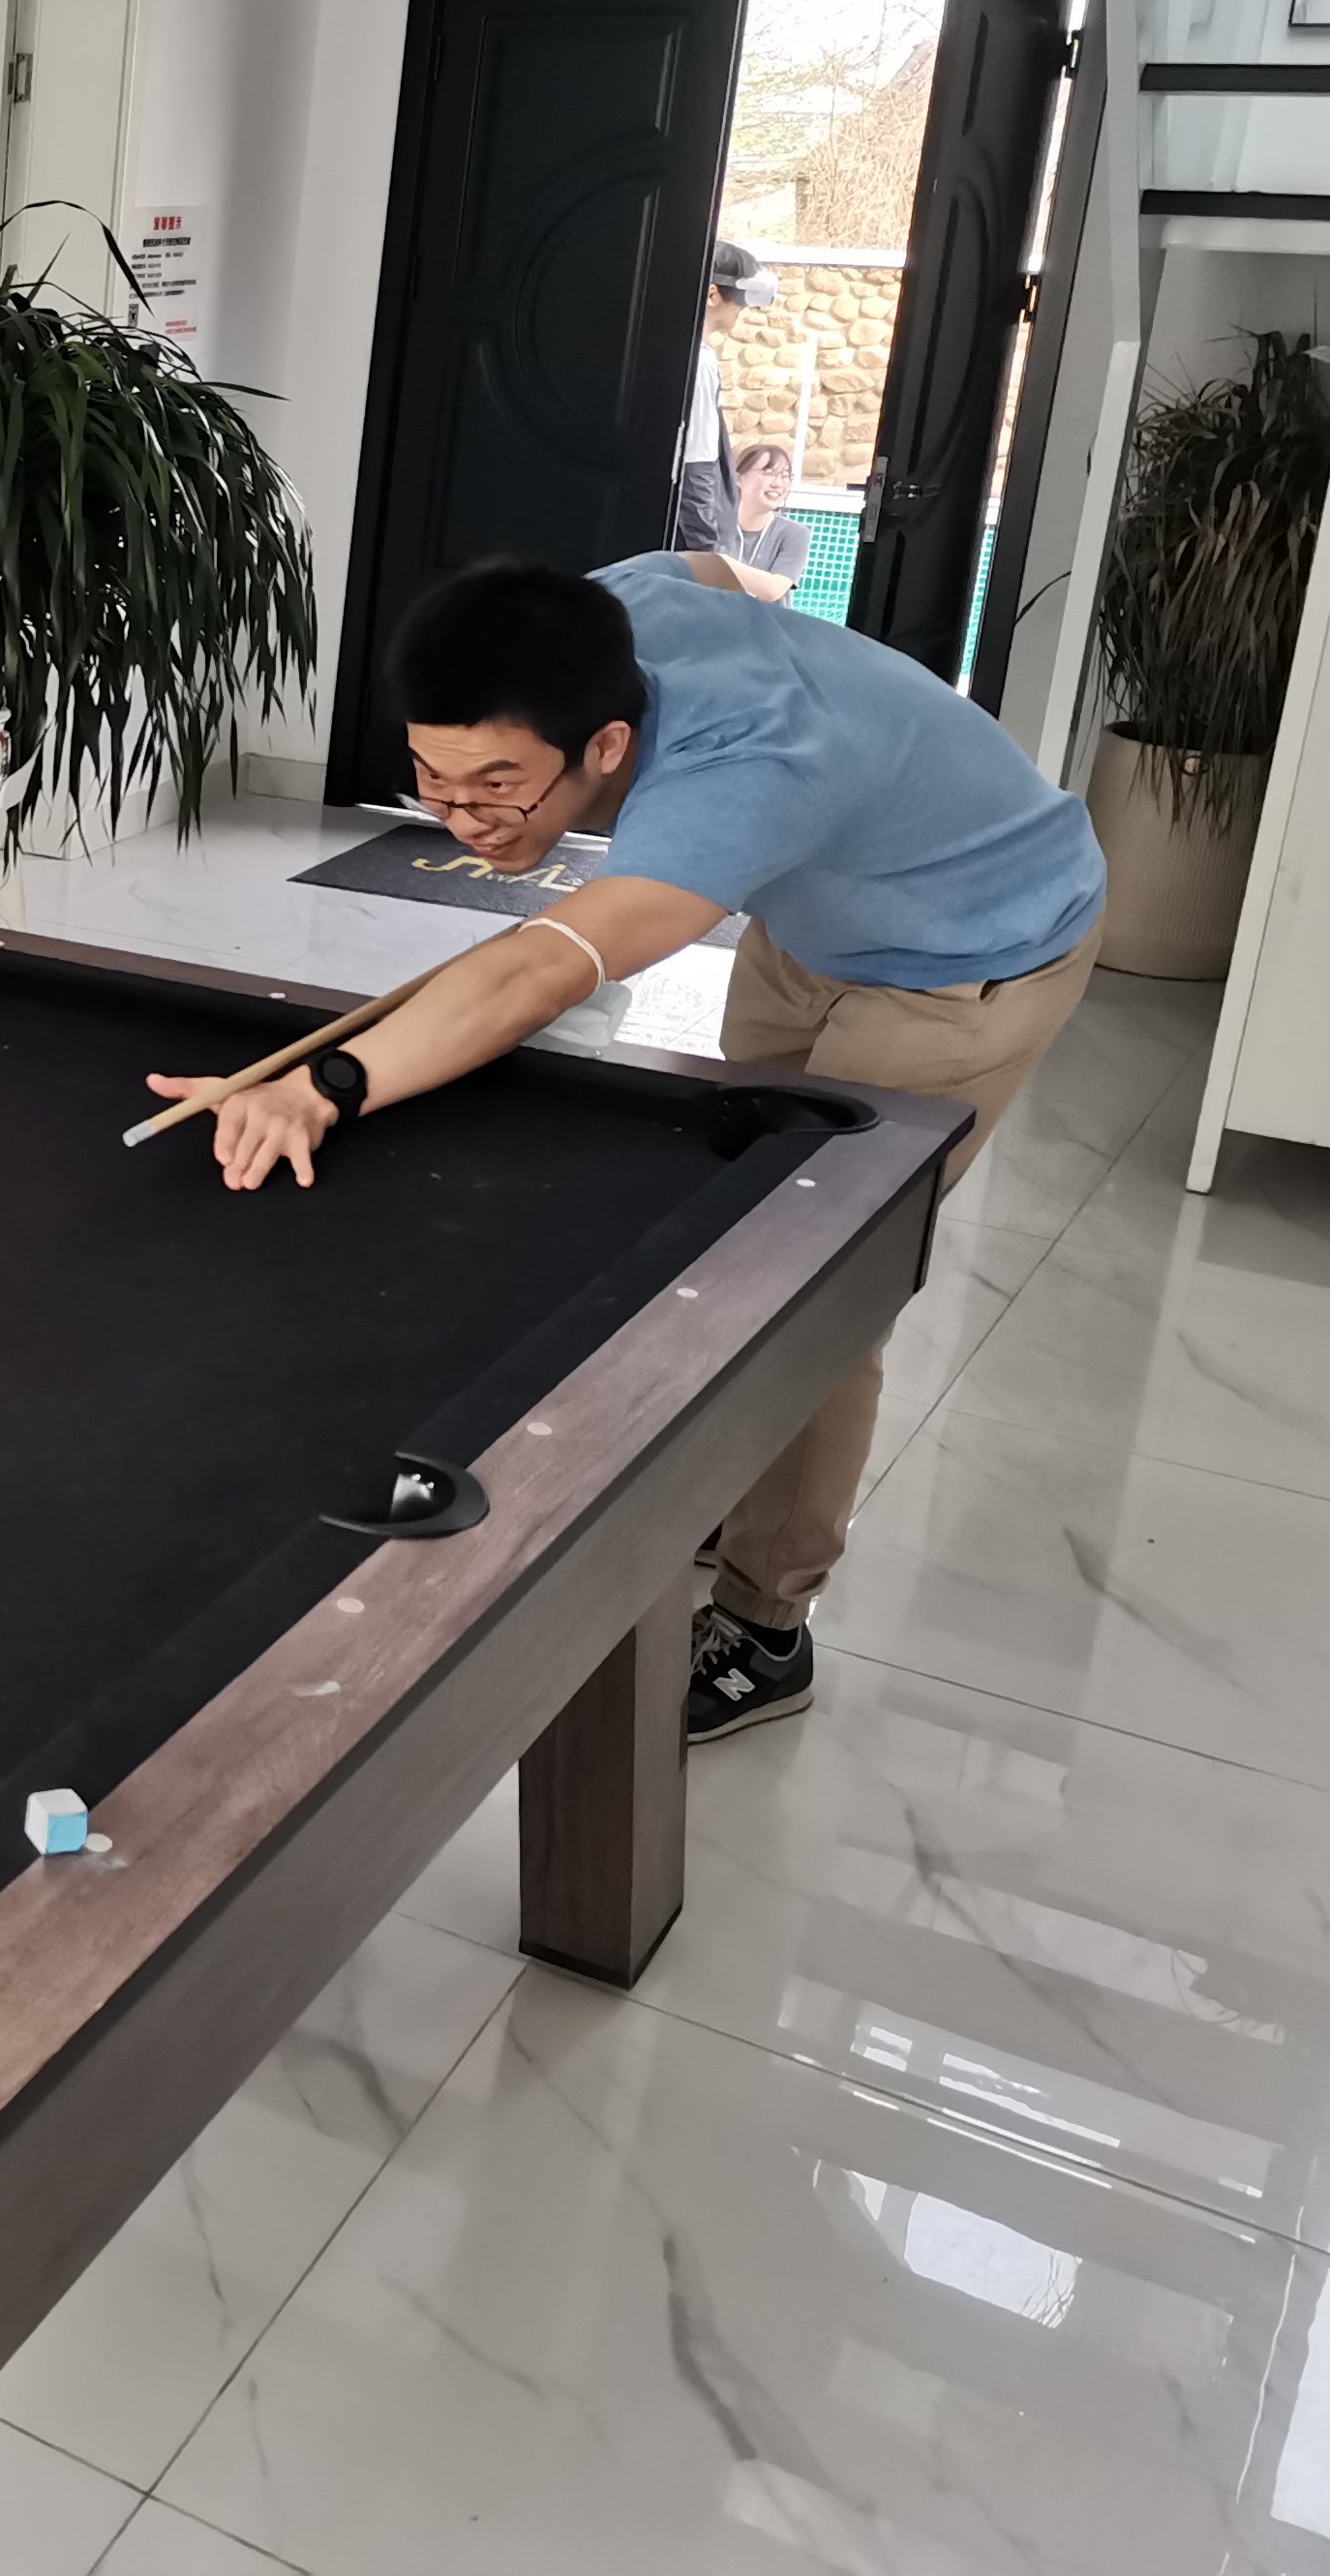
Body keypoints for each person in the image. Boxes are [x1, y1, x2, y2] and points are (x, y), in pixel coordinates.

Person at [145, 552, 1103, 1743]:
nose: (461, 817)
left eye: (497, 786)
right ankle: (729, 1480)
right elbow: (712, 567)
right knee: (731, 1217)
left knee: (807, 1284)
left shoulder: (738, 784)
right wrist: (800, 655)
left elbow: (537, 971)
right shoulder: (610, 616)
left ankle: (764, 1624)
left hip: (972, 956)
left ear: (605, 747)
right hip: (813, 923)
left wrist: (326, 1084)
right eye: (433, 780)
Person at [669, 243, 774, 555]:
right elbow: (696, 463)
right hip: (687, 541)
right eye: (740, 299)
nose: (744, 308)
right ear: (712, 295)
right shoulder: (698, 362)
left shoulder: (666, 350)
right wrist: (706, 551)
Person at [715, 441, 812, 602]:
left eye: (785, 476)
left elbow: (774, 590)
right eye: (768, 473)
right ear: (738, 478)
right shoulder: (713, 526)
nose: (778, 484)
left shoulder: (795, 534)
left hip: (767, 618)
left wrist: (718, 562)